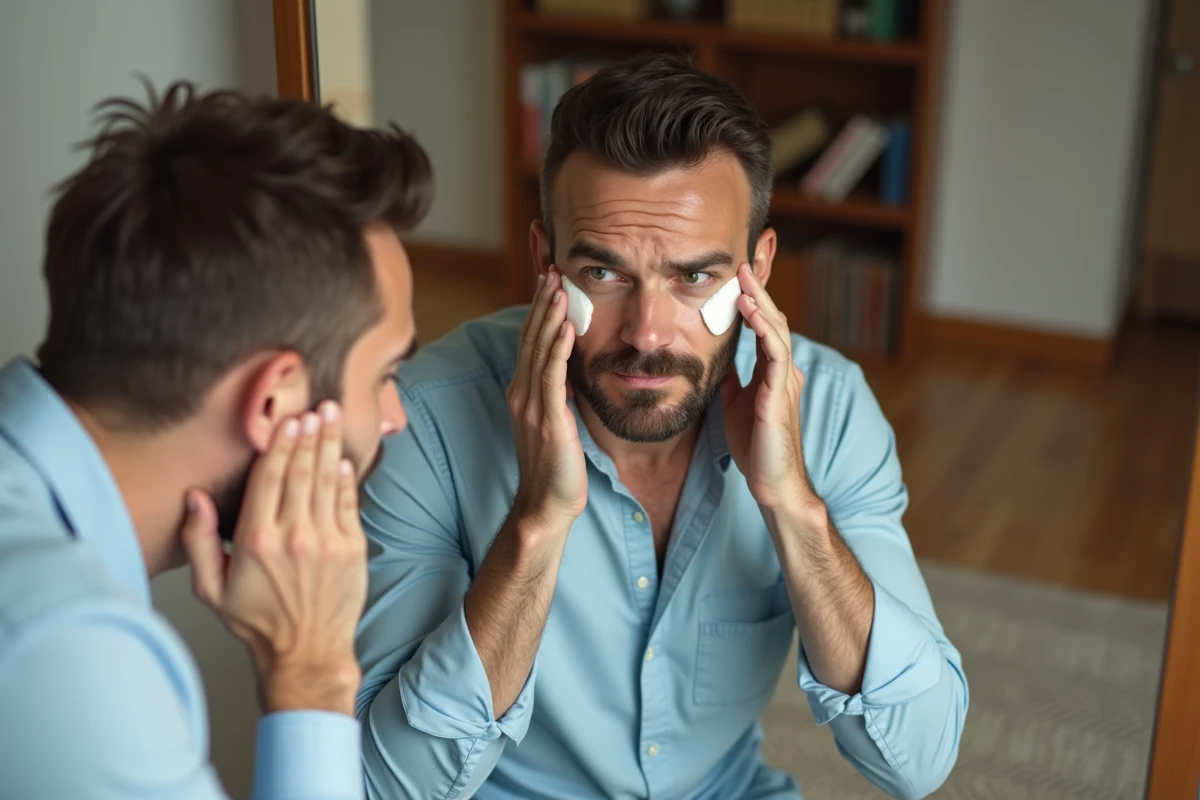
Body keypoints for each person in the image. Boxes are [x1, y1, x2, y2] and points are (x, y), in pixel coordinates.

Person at [356, 54, 968, 799]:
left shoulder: (830, 409)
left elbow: (920, 756)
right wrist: (538, 526)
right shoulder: (424, 420)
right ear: (545, 261)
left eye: (695, 277)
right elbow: (386, 785)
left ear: (759, 268)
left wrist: (792, 507)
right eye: (605, 275)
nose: (648, 333)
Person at [0, 81, 430, 798]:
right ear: (273, 399)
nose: (395, 416)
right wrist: (311, 674)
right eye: (385, 373)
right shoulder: (62, 656)